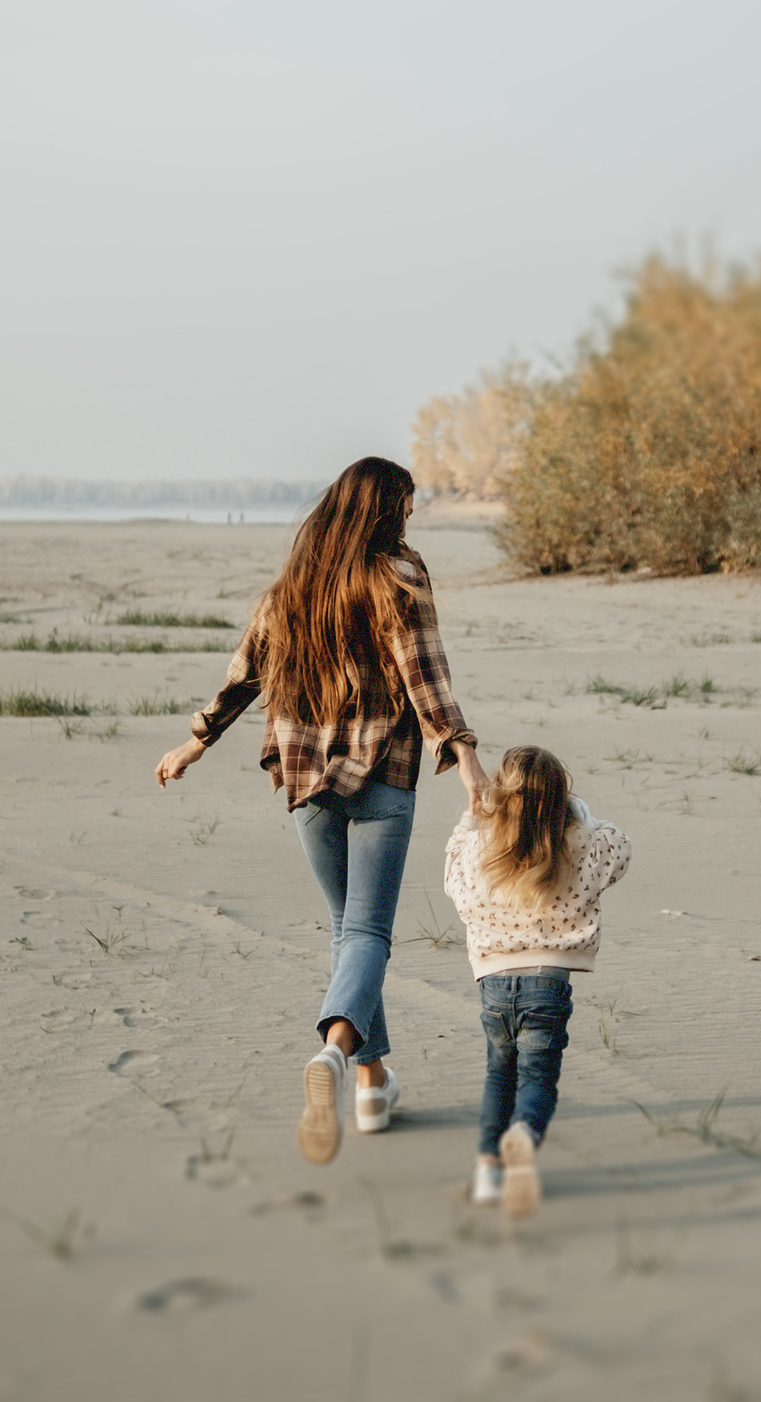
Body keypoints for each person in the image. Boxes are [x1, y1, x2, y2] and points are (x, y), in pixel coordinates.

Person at [155, 456, 485, 1165]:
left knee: (347, 934)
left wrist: (195, 742)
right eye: (406, 504)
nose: (411, 516)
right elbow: (425, 671)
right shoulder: (399, 575)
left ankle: (371, 1088)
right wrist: (467, 759)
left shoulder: (290, 590)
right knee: (366, 933)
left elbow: (244, 673)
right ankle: (336, 1055)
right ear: (382, 511)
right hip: (383, 775)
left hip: (304, 777)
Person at [442, 745, 629, 1216]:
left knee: (497, 1073)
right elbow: (619, 850)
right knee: (538, 1077)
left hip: (494, 983)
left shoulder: (484, 848)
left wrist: (472, 820)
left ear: (501, 798)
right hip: (548, 982)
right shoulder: (579, 844)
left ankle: (488, 1170)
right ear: (560, 801)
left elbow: (452, 877)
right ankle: (524, 1134)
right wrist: (579, 814)